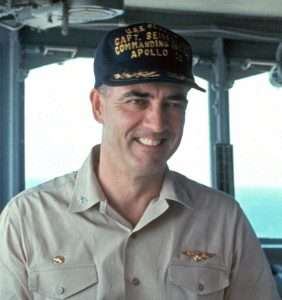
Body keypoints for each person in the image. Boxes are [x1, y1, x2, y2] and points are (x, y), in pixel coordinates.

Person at [0, 23, 279, 300]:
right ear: (98, 105)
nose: (157, 124)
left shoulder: (223, 220)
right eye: (137, 100)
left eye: (174, 103)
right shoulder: (27, 219)